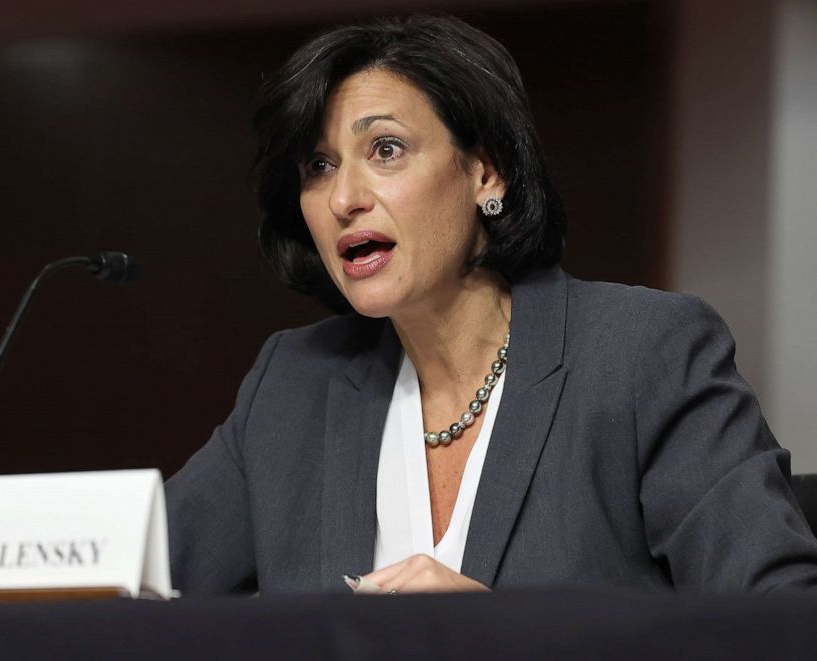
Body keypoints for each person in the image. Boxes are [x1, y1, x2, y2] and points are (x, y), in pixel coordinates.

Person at [166, 14, 817, 595]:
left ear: (486, 171)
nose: (344, 198)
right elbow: (125, 584)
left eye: (384, 149)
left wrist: (503, 638)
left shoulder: (644, 351)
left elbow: (778, 614)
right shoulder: (290, 385)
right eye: (318, 165)